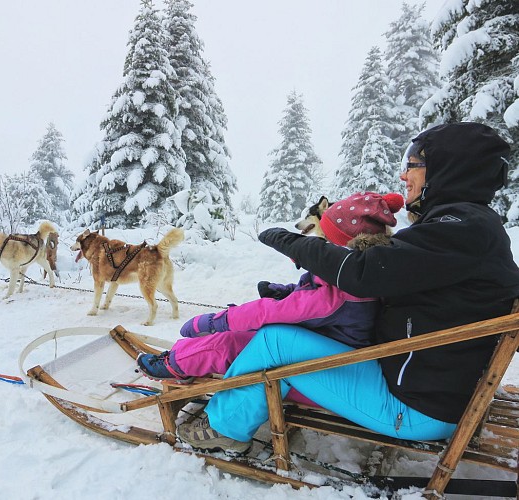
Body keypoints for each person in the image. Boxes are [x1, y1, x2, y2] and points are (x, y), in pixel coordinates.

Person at [177, 122, 519, 455]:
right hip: (426, 390)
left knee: (273, 342)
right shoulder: (467, 227)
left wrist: (292, 243)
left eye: (414, 164)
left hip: (415, 408)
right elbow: (389, 277)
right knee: (289, 342)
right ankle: (239, 410)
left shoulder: (461, 229)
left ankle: (223, 429)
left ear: (449, 168)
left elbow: (362, 271)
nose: (404, 175)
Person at [136, 192, 404, 400]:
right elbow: (308, 299)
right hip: (331, 353)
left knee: (235, 340)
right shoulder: (353, 277)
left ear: (341, 244)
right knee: (246, 333)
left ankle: (174, 365)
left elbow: (275, 311)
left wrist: (212, 321)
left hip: (325, 375)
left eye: (325, 238)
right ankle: (181, 356)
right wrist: (285, 291)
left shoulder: (343, 291)